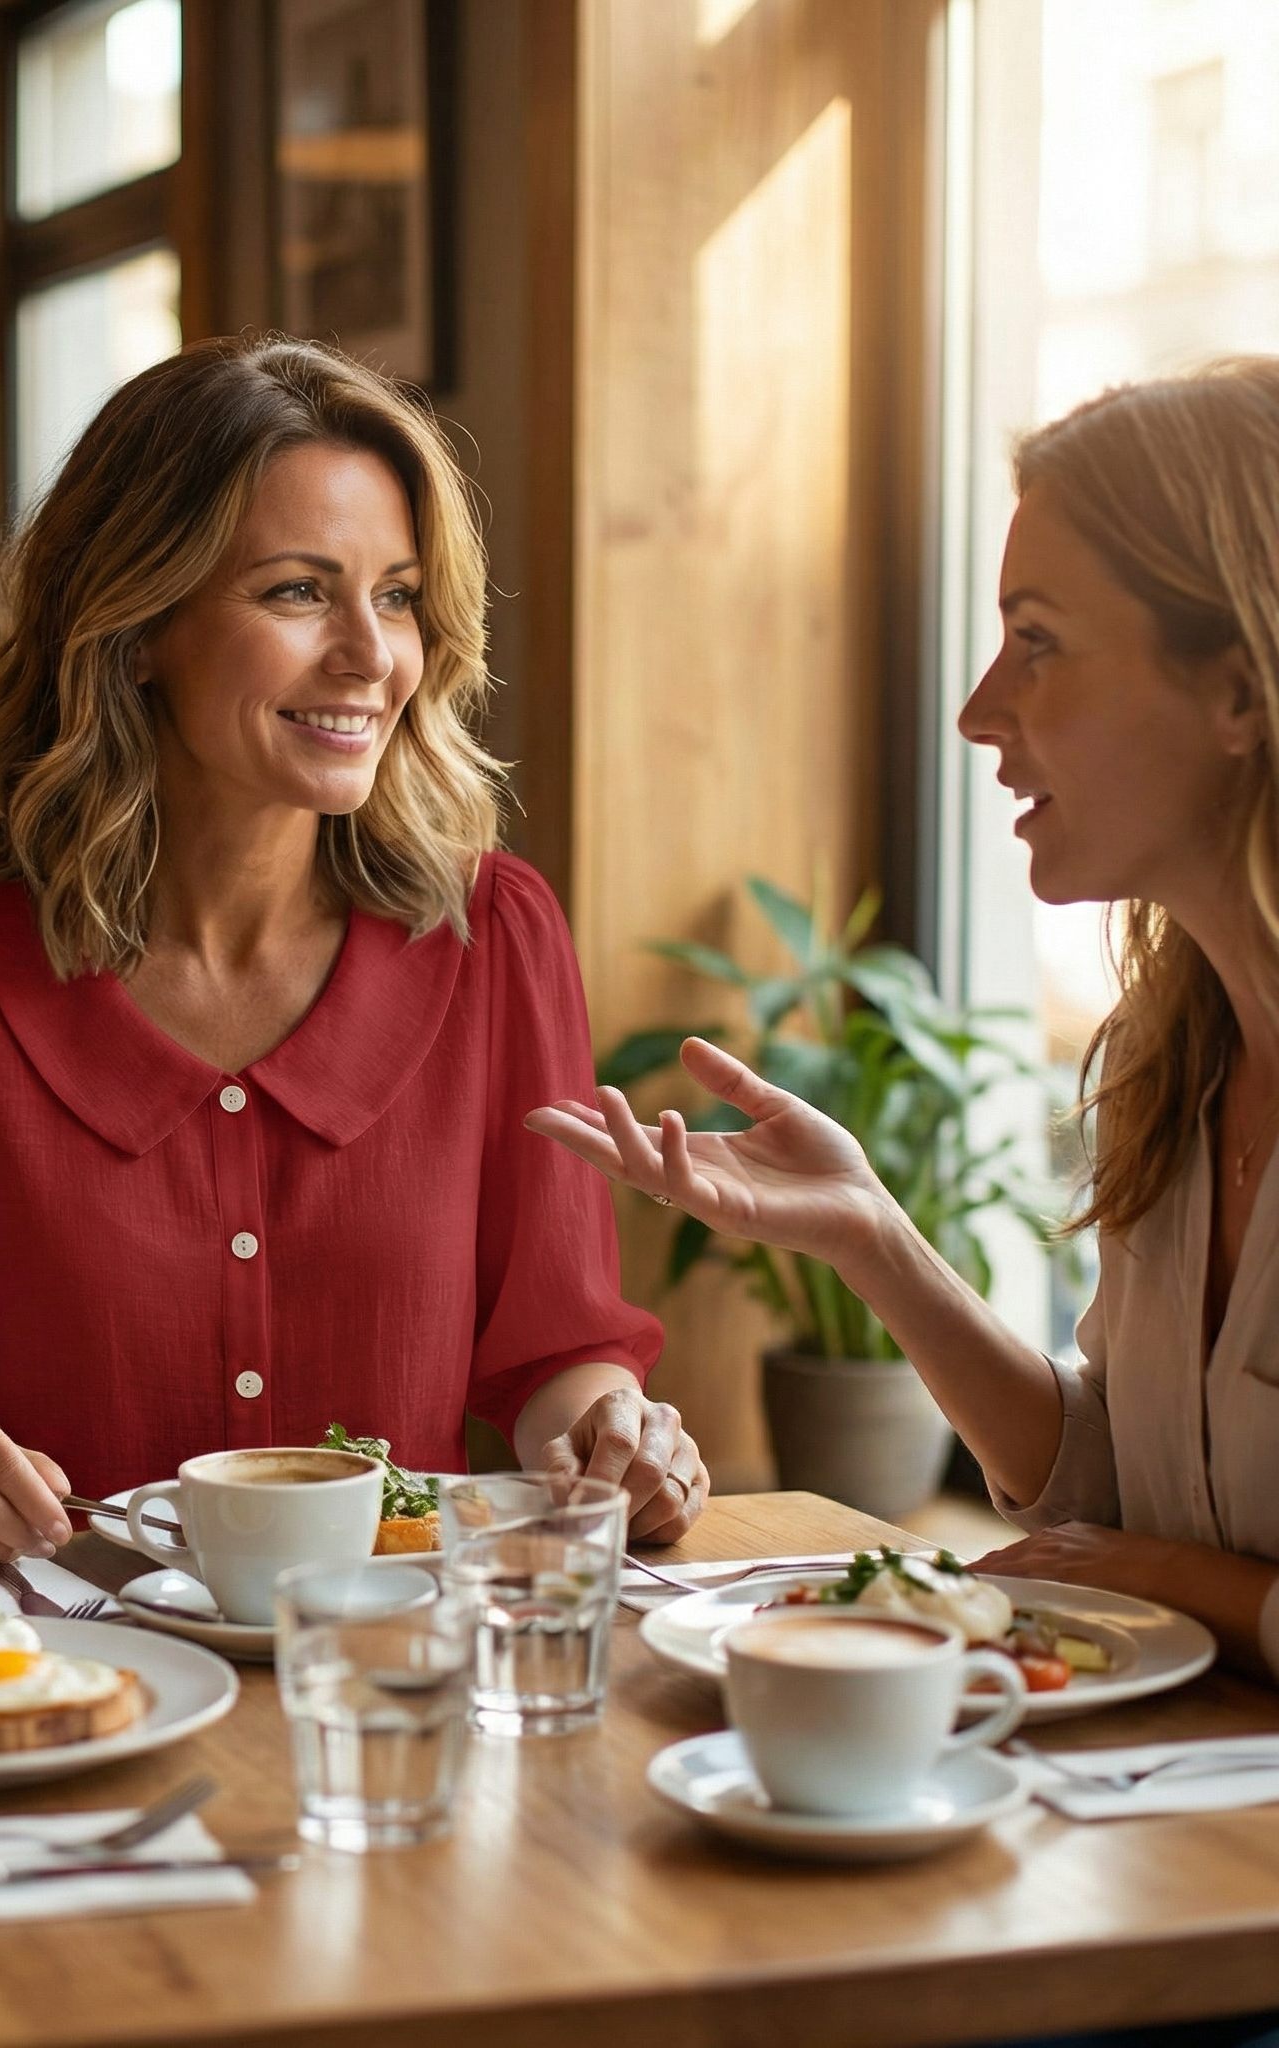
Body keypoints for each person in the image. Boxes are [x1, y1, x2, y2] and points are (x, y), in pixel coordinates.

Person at [0, 333, 707, 1575]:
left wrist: (609, 1437)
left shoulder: (494, 935)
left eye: (399, 594)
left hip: (393, 1677)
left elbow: (552, 1351)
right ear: (135, 623)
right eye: (297, 591)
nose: (371, 656)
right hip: (70, 1680)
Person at [529, 359, 1279, 1681]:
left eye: (1039, 643)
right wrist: (873, 1237)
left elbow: (1138, 1550)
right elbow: (1107, 1481)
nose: (980, 711)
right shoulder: (1177, 1065)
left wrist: (1179, 1581)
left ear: (1237, 686)